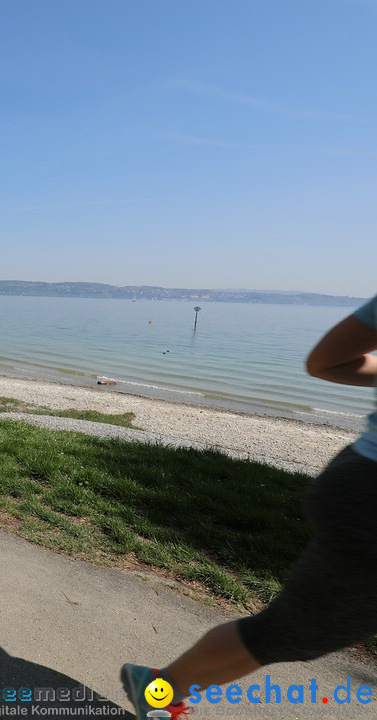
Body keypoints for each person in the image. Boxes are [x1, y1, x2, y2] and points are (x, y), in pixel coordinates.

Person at [120, 294, 377, 719]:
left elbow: (326, 361)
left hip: (361, 481)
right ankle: (157, 690)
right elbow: (327, 362)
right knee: (288, 634)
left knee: (289, 633)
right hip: (368, 503)